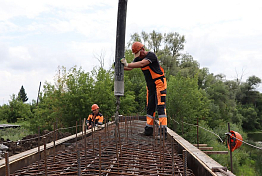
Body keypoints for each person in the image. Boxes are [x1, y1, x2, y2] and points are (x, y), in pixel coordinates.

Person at [121, 41, 167, 137]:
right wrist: (120, 66)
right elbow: (129, 68)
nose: (138, 56)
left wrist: (127, 64)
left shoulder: (151, 56)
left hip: (159, 83)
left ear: (142, 49)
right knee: (150, 107)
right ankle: (148, 130)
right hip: (150, 87)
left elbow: (142, 64)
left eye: (138, 53)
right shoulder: (139, 58)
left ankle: (163, 133)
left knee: (160, 106)